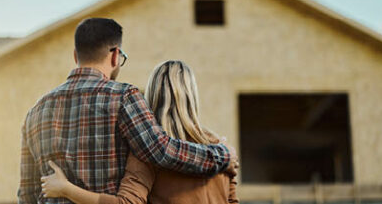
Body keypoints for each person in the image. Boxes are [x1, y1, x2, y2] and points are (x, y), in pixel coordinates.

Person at [17, 18, 236, 204]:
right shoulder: (123, 97)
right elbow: (161, 150)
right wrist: (221, 155)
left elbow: (27, 195)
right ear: (115, 56)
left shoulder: (34, 113)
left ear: (76, 56)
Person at [41, 60, 239, 204]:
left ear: (151, 95)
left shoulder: (147, 150)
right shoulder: (222, 150)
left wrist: (66, 189)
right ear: (192, 97)